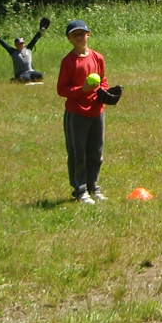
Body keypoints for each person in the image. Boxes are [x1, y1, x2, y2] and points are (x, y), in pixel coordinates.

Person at [56, 19, 119, 203]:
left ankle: (94, 186)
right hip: (77, 112)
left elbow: (103, 79)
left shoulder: (98, 57)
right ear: (69, 39)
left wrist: (105, 93)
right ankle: (80, 190)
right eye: (75, 35)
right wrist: (82, 90)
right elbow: (62, 89)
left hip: (97, 110)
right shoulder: (69, 61)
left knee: (96, 152)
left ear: (88, 34)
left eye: (82, 34)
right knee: (78, 152)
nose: (79, 37)